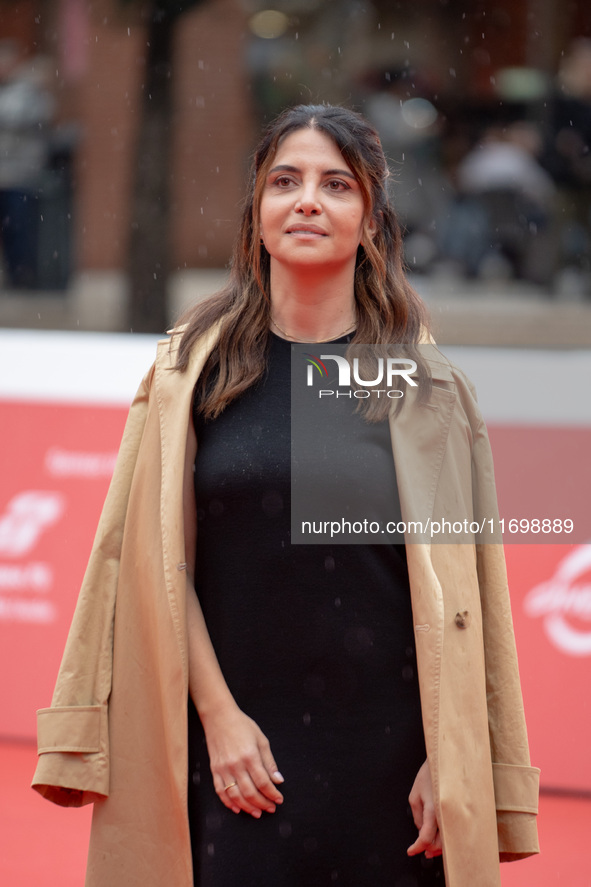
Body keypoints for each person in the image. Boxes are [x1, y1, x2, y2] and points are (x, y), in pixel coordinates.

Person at [32, 104, 539, 887]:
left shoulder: (426, 388)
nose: (307, 200)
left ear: (370, 221)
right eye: (285, 181)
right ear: (257, 213)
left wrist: (456, 755)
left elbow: (473, 596)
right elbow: (149, 568)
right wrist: (219, 717)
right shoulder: (188, 373)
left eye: (336, 184)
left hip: (398, 776)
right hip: (233, 760)